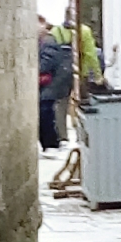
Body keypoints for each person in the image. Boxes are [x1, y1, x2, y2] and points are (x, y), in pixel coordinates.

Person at [36, 18, 66, 148]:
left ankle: (50, 143)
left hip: (50, 85)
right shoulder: (43, 42)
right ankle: (48, 143)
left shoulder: (48, 42)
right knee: (45, 113)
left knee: (45, 113)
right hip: (47, 85)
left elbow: (46, 64)